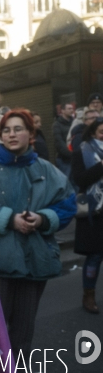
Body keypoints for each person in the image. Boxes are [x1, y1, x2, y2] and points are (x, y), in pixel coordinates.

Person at [0, 109, 75, 362]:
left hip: (34, 264)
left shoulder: (46, 169)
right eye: (6, 130)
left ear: (31, 134)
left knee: (23, 333)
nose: (11, 134)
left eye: (18, 129)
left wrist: (42, 218)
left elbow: (68, 204)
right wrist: (9, 218)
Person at [71, 117, 103, 314]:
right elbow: (80, 179)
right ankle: (88, 295)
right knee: (95, 256)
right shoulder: (82, 150)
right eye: (102, 132)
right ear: (93, 133)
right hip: (94, 211)